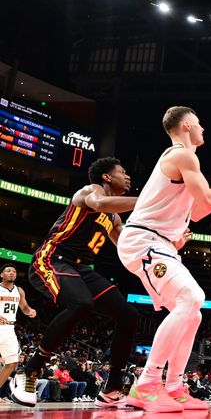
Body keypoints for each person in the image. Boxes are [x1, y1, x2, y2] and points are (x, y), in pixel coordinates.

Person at [117, 106, 211, 412]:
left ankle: (175, 386)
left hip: (160, 243)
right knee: (192, 297)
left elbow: (198, 211)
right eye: (200, 123)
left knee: (194, 312)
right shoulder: (182, 154)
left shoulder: (183, 159)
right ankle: (147, 383)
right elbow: (207, 198)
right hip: (144, 241)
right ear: (188, 124)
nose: (203, 128)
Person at [11, 157, 137, 409]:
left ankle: (111, 388)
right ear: (106, 177)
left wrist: (172, 242)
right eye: (122, 172)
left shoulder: (113, 219)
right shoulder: (91, 191)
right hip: (53, 257)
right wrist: (148, 200)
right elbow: (100, 203)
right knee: (81, 304)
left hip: (80, 268)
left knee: (129, 314)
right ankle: (30, 370)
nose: (128, 176)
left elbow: (129, 249)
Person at [0, 264, 36, 399]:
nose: (12, 273)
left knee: (12, 364)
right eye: (8, 271)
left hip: (9, 328)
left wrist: (30, 311)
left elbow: (24, 307)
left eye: (14, 271)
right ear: (1, 275)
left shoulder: (19, 290)